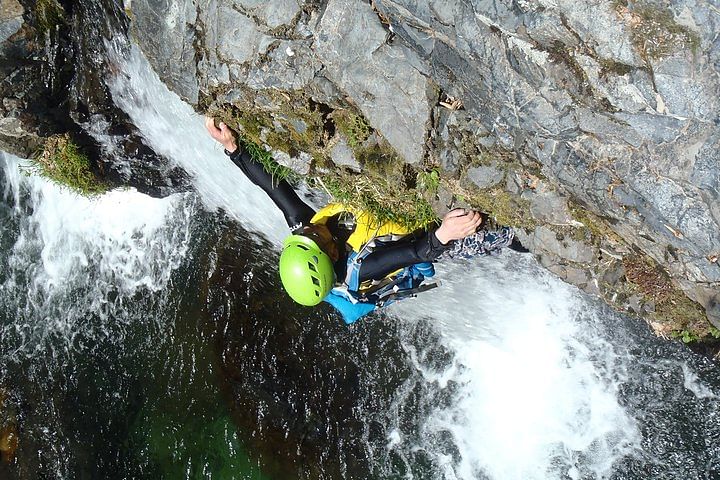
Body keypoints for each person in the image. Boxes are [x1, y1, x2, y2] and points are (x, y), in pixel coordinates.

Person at [205, 117, 526, 324]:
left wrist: (233, 149)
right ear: (331, 255)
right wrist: (447, 232)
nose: (308, 227)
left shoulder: (309, 234)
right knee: (501, 232)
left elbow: (273, 188)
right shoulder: (363, 266)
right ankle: (517, 243)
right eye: (312, 235)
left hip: (392, 228)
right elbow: (416, 252)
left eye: (303, 232)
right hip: (428, 242)